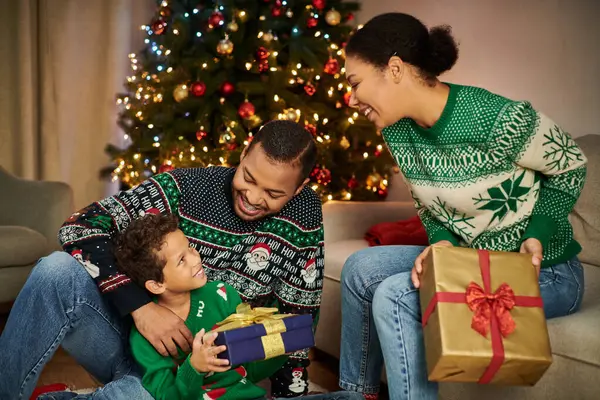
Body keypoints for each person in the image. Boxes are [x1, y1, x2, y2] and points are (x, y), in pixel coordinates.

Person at [338, 12, 587, 400]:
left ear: (395, 69)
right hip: (471, 260)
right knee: (359, 269)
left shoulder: (490, 116)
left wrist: (538, 234)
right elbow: (428, 204)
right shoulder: (397, 129)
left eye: (355, 83)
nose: (351, 99)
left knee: (394, 293)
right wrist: (442, 242)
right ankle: (357, 394)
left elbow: (570, 163)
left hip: (546, 272)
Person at [0, 120, 325, 399]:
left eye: (273, 194)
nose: (253, 198)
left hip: (199, 380)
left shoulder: (306, 215)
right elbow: (80, 226)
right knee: (56, 270)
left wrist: (287, 391)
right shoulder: (186, 188)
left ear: (299, 189)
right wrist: (140, 308)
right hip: (128, 342)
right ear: (242, 155)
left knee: (144, 394)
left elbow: (297, 320)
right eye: (249, 178)